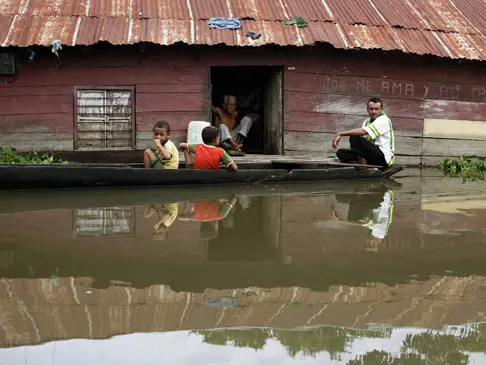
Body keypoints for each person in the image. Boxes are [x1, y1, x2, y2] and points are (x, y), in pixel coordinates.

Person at [332, 97, 395, 169]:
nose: (373, 111)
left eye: (376, 109)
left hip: (383, 157)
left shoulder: (384, 119)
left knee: (355, 137)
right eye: (371, 109)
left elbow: (362, 132)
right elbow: (360, 144)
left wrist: (341, 134)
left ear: (381, 109)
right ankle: (362, 165)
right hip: (371, 155)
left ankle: (363, 167)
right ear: (367, 109)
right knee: (341, 153)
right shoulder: (367, 122)